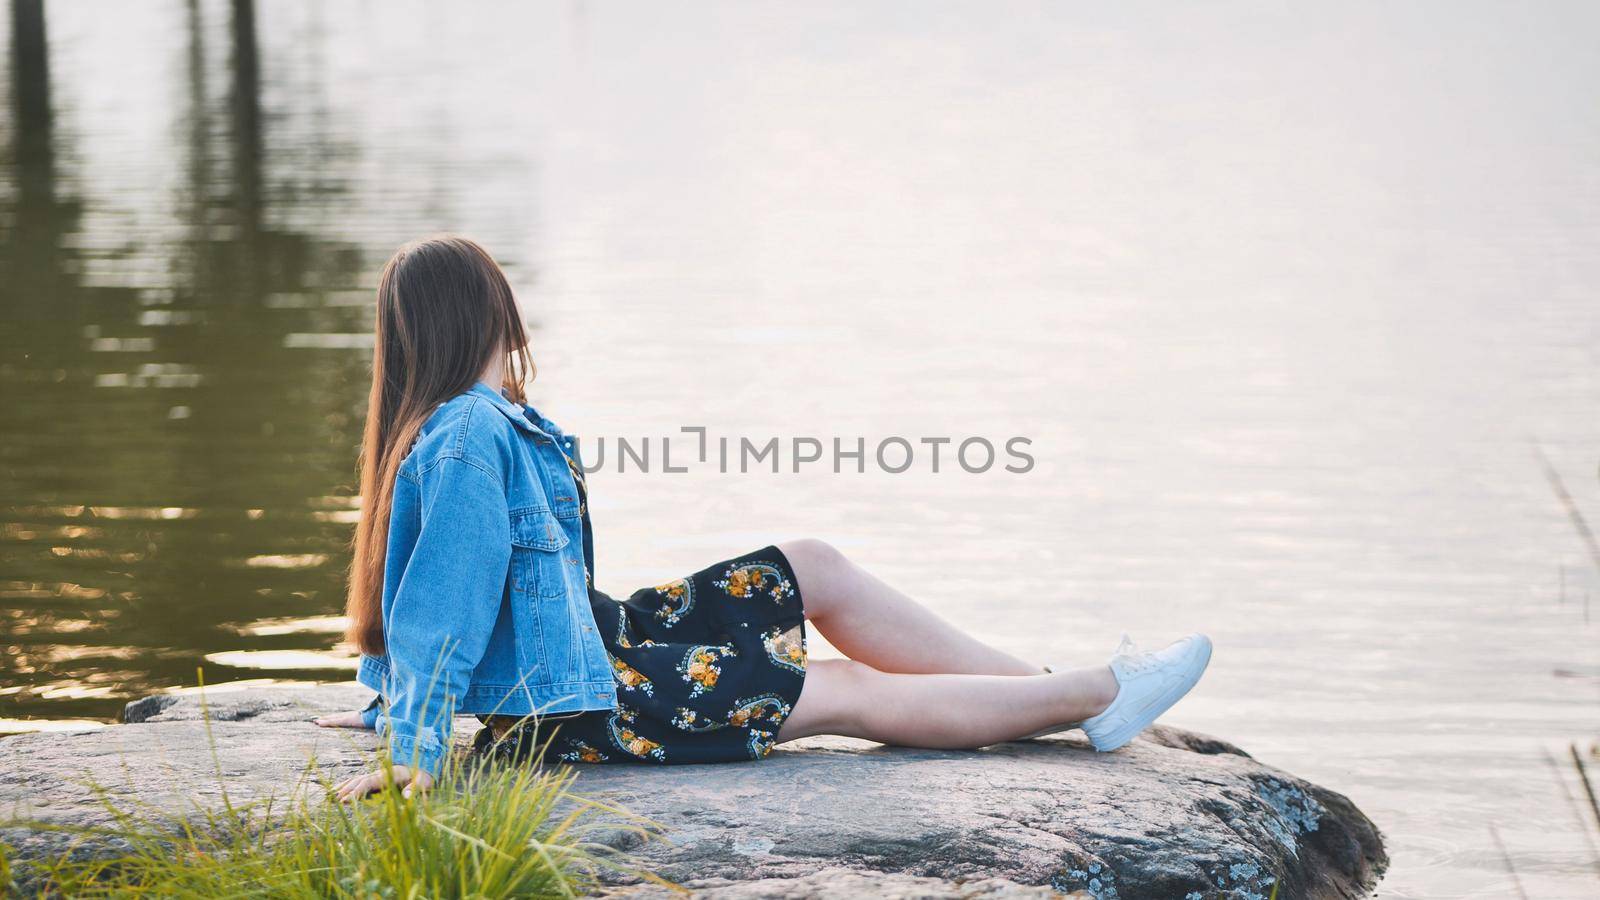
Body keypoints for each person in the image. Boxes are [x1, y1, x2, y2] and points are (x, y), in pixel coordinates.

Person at [317, 235, 1212, 800]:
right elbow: (443, 597)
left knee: (809, 564)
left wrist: (381, 692)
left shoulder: (457, 426)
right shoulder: (470, 431)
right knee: (841, 690)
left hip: (599, 647)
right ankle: (1097, 691)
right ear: (483, 314)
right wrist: (416, 742)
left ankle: (1038, 697)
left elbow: (410, 579)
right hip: (584, 709)